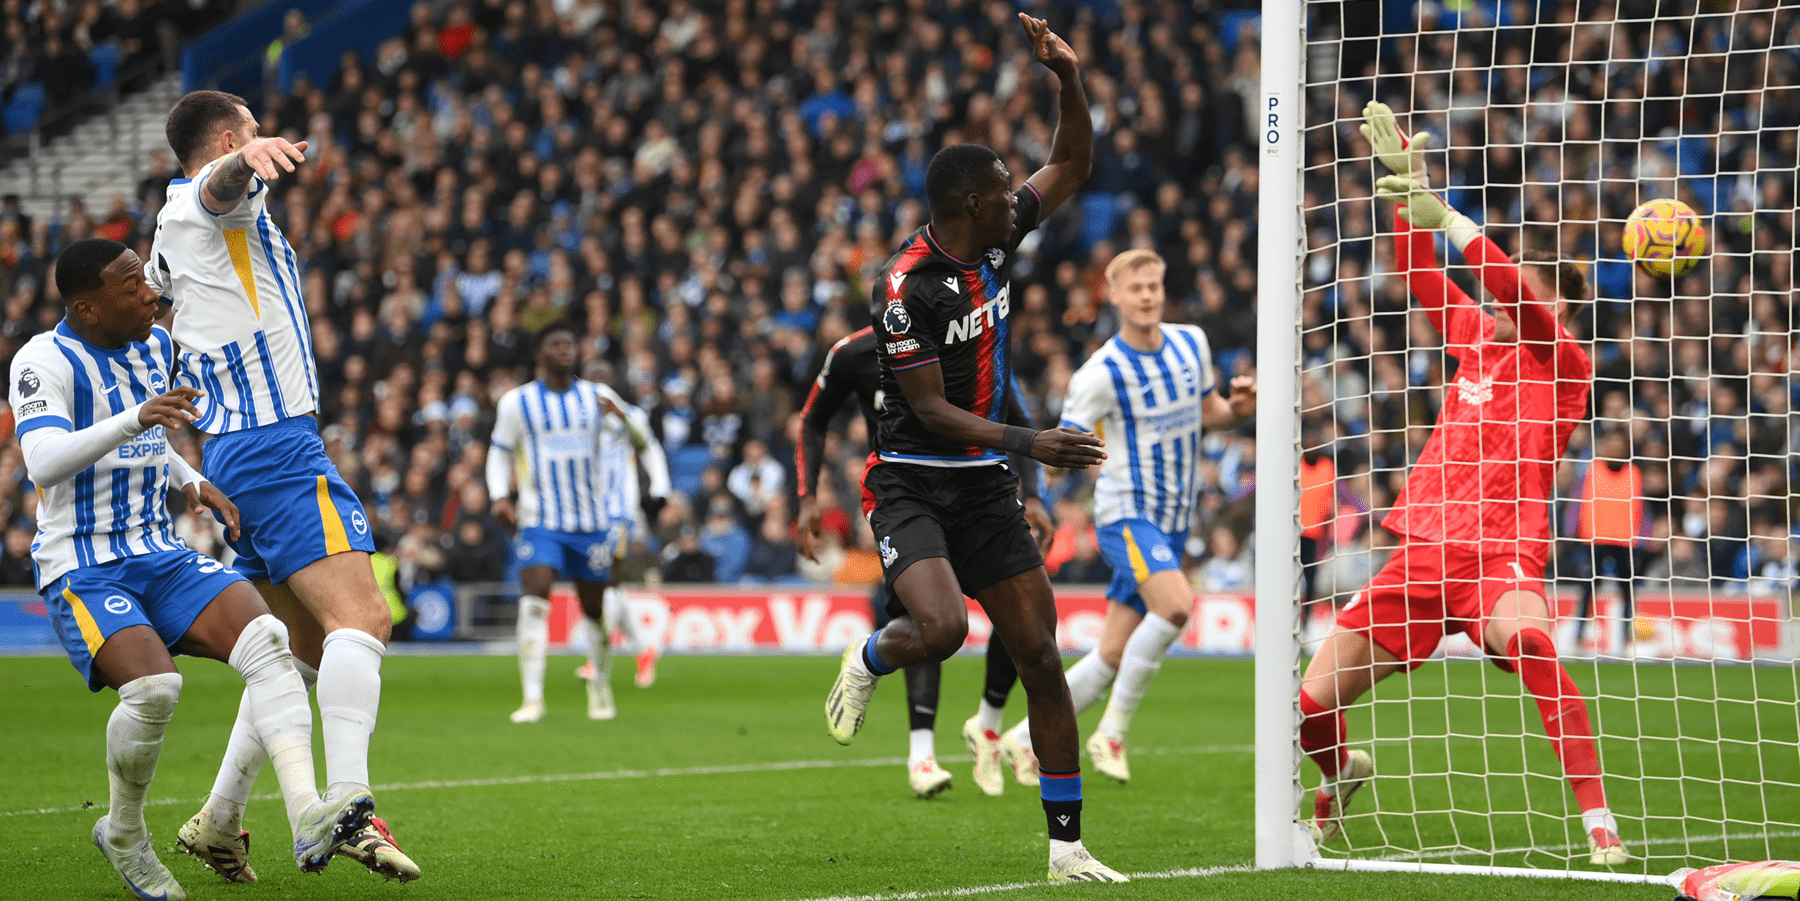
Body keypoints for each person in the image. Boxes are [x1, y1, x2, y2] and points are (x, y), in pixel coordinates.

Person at [821, 14, 1126, 882]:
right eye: (1000, 185)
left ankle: (1066, 846)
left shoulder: (994, 236)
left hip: (985, 481)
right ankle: (873, 655)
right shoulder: (903, 288)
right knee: (946, 628)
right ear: (966, 204)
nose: (1013, 190)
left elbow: (1071, 165)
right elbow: (929, 408)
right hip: (912, 481)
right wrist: (1032, 442)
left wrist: (1066, 77)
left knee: (1040, 656)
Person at [1298, 102, 1626, 864]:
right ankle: (1341, 771)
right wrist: (1407, 183)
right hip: (1423, 548)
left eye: (1532, 297)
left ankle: (1598, 818)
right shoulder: (1476, 334)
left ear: (1561, 310)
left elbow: (1506, 285)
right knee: (1309, 705)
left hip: (1501, 551)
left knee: (1534, 643)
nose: (1508, 305)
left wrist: (1443, 211)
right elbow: (1416, 268)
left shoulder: (1564, 363)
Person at [20, 239, 369, 898]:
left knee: (271, 641)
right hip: (86, 562)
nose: (151, 293)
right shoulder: (44, 359)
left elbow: (151, 435)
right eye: (132, 287)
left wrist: (190, 477)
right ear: (88, 308)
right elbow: (43, 461)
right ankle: (123, 830)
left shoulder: (154, 347)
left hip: (160, 550)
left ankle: (309, 812)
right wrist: (134, 419)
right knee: (154, 690)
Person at [148, 90, 417, 884]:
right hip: (274, 446)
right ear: (229, 136)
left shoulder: (172, 234)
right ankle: (352, 800)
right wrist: (240, 162)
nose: (264, 142)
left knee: (297, 647)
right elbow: (215, 189)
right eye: (252, 131)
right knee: (363, 616)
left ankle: (221, 818)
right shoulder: (210, 202)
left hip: (243, 448)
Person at [997, 249, 1255, 785]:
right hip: (1126, 513)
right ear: (1112, 296)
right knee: (1178, 607)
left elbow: (1213, 413)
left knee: (1112, 652)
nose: (1146, 296)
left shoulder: (1192, 344)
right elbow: (1062, 442)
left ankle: (1021, 741)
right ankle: (1110, 733)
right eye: (1134, 288)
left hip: (1174, 517)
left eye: (1153, 287)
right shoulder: (1100, 373)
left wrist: (1241, 408)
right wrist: (1056, 493)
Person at [795, 325, 1046, 799]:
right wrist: (808, 495)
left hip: (979, 499)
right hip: (907, 501)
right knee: (930, 622)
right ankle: (922, 755)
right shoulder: (854, 353)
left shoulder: (979, 341)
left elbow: (1015, 411)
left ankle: (988, 724)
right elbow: (812, 419)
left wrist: (1031, 494)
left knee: (1024, 619)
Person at [1573, 426, 1643, 653]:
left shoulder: (1633, 473)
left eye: (1619, 444)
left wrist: (1639, 535)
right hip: (1597, 538)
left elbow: (1638, 508)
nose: (1615, 448)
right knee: (1588, 589)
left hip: (1624, 540)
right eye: (1611, 443)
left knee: (1627, 590)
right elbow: (1582, 503)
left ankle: (1626, 638)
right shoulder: (1593, 470)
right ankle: (1579, 636)